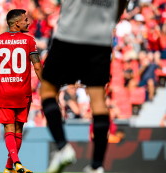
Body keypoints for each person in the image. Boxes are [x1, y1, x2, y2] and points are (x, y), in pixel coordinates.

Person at [40, 1, 128, 173]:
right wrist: (110, 21)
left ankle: (62, 147)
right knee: (98, 102)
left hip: (70, 34)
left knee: (47, 90)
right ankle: (96, 166)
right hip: (100, 39)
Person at [0, 9, 43, 173]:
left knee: (9, 131)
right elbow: (38, 66)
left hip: (5, 92)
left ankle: (10, 166)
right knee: (18, 131)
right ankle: (14, 164)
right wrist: (47, 86)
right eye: (25, 20)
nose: (28, 22)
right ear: (17, 23)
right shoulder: (29, 41)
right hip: (22, 92)